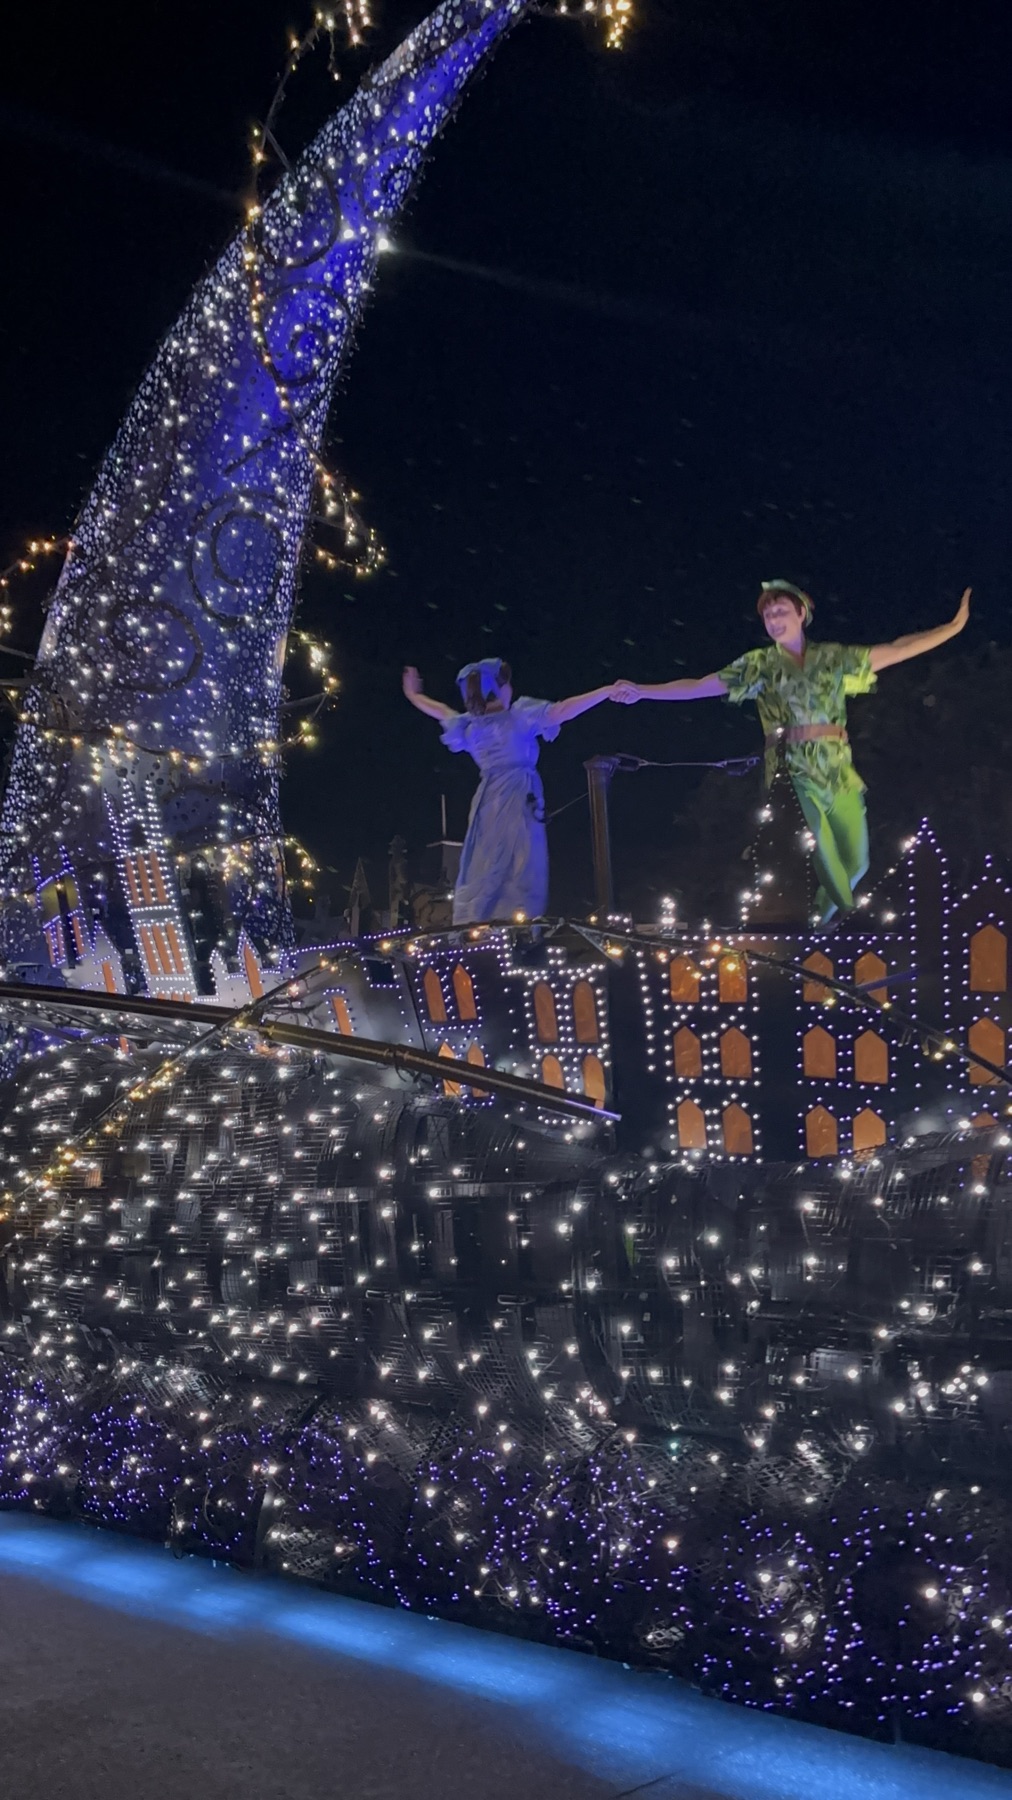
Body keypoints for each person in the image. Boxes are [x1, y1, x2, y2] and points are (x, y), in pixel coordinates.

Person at [613, 581, 971, 925]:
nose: (774, 620)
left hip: (837, 768)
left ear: (801, 614)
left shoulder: (832, 658)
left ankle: (819, 923)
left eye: (781, 611)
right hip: (791, 769)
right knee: (819, 843)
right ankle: (850, 913)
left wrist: (951, 628)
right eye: (768, 616)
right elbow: (699, 685)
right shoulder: (760, 665)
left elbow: (897, 648)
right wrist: (644, 691)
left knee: (857, 862)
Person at [403, 658, 618, 925]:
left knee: (486, 860)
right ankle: (514, 924)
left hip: (488, 799)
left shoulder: (470, 726)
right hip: (516, 795)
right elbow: (562, 710)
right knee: (521, 862)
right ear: (497, 688)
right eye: (506, 684)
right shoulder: (518, 716)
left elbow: (441, 711)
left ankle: (481, 921)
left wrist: (414, 695)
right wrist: (605, 692)